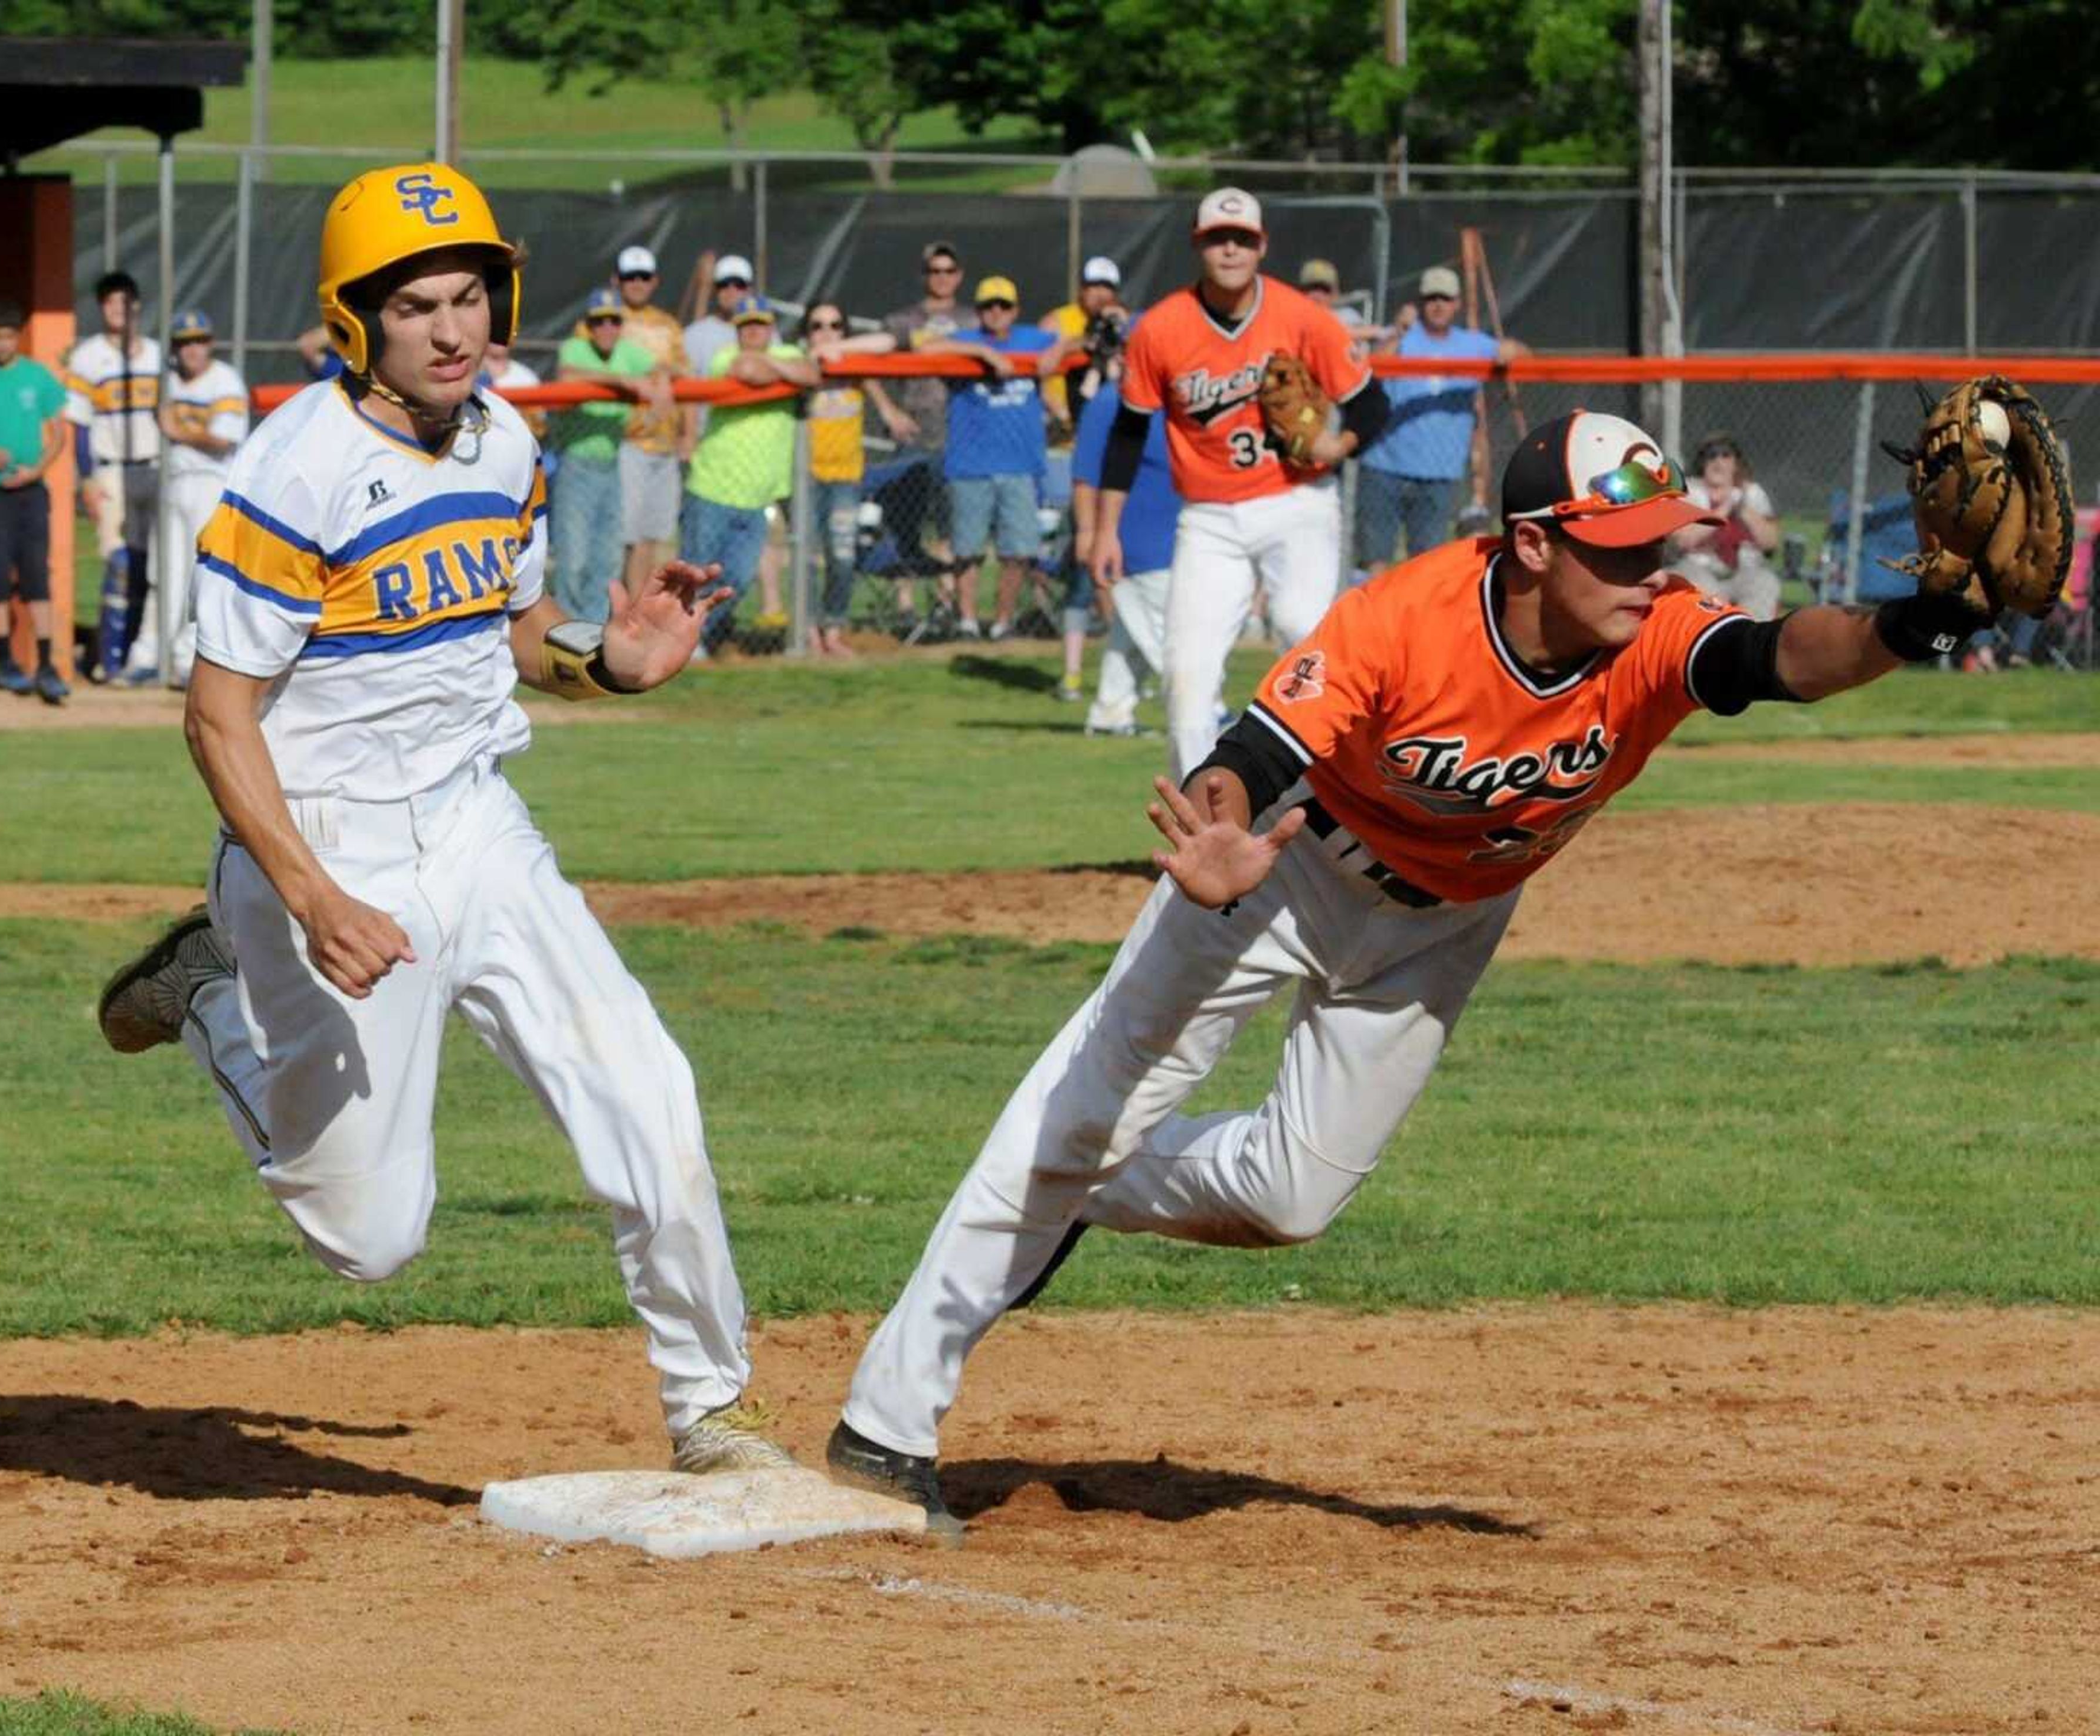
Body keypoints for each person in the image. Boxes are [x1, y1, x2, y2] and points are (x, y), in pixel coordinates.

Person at [826, 408, 2005, 1538]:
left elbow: (1786, 656)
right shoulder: (1406, 618)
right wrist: (1224, 833)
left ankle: (1080, 1184)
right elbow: (1248, 755)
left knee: (1289, 1200)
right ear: (1534, 544)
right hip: (1281, 871)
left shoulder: (1654, 636)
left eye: (1664, 545)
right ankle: (885, 1432)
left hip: (1446, 926)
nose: (1655, 570)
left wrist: (1924, 622)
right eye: (1626, 549)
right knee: (1075, 1111)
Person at [93, 163, 789, 1476]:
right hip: (329, 852)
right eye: (418, 305)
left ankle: (717, 1407)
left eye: (472, 296)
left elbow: (520, 629)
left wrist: (610, 660)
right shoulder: (294, 471)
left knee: (646, 1087)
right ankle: (204, 996)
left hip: (478, 826)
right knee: (370, 1237)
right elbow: (217, 716)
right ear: (358, 322)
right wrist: (310, 897)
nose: (454, 329)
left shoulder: (505, 438)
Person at [1090, 188, 1388, 778]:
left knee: (1305, 634)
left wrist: (1339, 444)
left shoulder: (1302, 317)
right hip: (1209, 517)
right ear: (1198, 244)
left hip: (1296, 501)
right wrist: (1104, 530)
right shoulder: (1161, 328)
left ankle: (1345, 792)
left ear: (1262, 246)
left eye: (1243, 239)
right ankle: (1203, 834)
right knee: (1187, 674)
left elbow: (1372, 404)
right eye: (1218, 238)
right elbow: (1126, 433)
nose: (1231, 248)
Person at [1358, 264, 1531, 574]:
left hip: (1438, 473)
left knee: (1427, 566)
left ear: (1457, 303)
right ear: (1420, 302)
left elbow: (1523, 354)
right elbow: (1372, 369)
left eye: (1445, 298)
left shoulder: (1473, 344)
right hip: (1385, 466)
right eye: (1431, 298)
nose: (1438, 305)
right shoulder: (1403, 338)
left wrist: (1511, 352)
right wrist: (1399, 332)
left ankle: (1417, 624)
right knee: (1375, 563)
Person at [918, 276, 1065, 642]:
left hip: (1019, 466)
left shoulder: (1031, 339)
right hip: (972, 465)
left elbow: (1073, 339)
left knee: (1017, 553)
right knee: (968, 550)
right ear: (979, 311)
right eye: (988, 306)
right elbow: (925, 351)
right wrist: (983, 354)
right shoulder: (966, 341)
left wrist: (1058, 351)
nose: (996, 313)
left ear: (1015, 311)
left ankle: (1002, 622)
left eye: (1003, 306)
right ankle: (967, 621)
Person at [683, 293, 822, 651]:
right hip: (712, 486)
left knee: (739, 579)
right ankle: (685, 644)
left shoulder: (788, 355)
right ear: (738, 330)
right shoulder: (726, 356)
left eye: (760, 324)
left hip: (759, 496)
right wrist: (781, 375)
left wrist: (775, 370)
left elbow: (811, 373)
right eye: (747, 326)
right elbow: (744, 370)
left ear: (771, 327)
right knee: (698, 574)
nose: (754, 332)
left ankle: (703, 638)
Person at [133, 309, 248, 689]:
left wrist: (176, 429)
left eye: (199, 342)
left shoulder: (225, 381)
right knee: (162, 572)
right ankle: (150, 655)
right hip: (175, 481)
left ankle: (186, 659)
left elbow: (223, 439)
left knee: (197, 576)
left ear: (210, 344)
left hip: (210, 484)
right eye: (184, 344)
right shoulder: (168, 382)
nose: (192, 350)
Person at [0, 297, 69, 705]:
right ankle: (4, 659)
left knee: (36, 573)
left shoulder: (38, 376)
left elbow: (59, 432)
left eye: (9, 337)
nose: (3, 344)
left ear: (19, 338)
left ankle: (46, 662)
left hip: (30, 489)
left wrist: (38, 470)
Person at [1070, 358, 1179, 738]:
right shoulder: (1109, 400)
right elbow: (1085, 474)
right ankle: (1205, 708)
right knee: (1173, 632)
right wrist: (1088, 532)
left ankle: (1111, 712)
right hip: (1133, 537)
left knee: (1133, 628)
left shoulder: (1177, 398)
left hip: (1174, 533)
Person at [66, 270, 162, 682]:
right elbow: (80, 424)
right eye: (109, 303)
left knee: (153, 564)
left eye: (124, 302)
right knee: (119, 564)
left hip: (155, 467)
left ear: (136, 306)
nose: (117, 310)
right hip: (111, 470)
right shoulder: (89, 357)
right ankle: (109, 658)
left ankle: (143, 656)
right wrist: (86, 478)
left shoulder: (157, 355)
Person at [551, 288, 664, 623]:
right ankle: (570, 630)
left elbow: (665, 368)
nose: (607, 328)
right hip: (577, 463)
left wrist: (661, 384)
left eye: (614, 320)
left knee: (607, 557)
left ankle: (596, 630)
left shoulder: (628, 352)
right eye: (599, 321)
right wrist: (623, 381)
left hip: (612, 464)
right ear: (589, 325)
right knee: (575, 557)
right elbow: (567, 376)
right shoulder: (575, 348)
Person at [798, 299, 898, 656]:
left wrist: (839, 348)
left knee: (842, 556)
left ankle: (834, 628)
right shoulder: (797, 362)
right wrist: (819, 354)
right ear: (806, 332)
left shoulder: (852, 361)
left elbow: (887, 341)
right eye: (817, 326)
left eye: (835, 325)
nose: (826, 333)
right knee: (805, 558)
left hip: (845, 475)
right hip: (804, 478)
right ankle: (807, 630)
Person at [880, 241, 968, 629]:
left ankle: (946, 602)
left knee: (950, 520)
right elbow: (864, 368)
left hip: (957, 433)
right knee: (904, 519)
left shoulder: (972, 320)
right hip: (914, 430)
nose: (942, 278)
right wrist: (888, 409)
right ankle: (905, 605)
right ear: (924, 276)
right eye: (935, 271)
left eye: (949, 271)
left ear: (960, 276)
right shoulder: (903, 321)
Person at [609, 245, 694, 594]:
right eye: (630, 277)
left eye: (644, 277)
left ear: (655, 280)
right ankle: (630, 613)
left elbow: (686, 380)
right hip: (627, 440)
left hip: (665, 442)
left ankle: (647, 608)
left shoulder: (669, 326)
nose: (637, 283)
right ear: (617, 280)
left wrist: (689, 433)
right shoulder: (606, 320)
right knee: (629, 537)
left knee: (655, 536)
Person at [1671, 431, 1781, 620]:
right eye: (1712, 455)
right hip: (1697, 568)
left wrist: (1742, 509)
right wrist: (1723, 510)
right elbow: (1683, 540)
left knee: (1766, 583)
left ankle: (1750, 639)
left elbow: (1770, 542)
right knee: (1703, 593)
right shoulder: (1690, 491)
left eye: (1726, 455)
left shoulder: (1752, 493)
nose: (1719, 461)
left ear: (1736, 463)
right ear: (1702, 462)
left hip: (1745, 570)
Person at [1039, 255, 1124, 427]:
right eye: (1094, 286)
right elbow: (1036, 371)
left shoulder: (1123, 322)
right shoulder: (1055, 322)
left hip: (1108, 423)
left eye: (1107, 287)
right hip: (1061, 423)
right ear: (1082, 290)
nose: (1101, 294)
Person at [684, 254, 756, 375]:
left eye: (739, 284)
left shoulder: (764, 332)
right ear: (714, 290)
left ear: (750, 291)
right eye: (724, 284)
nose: (731, 290)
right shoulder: (693, 334)